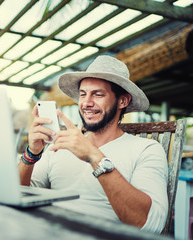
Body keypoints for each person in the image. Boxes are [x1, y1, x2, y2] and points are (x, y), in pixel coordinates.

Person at [18, 55, 168, 233]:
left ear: (123, 101)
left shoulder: (146, 150)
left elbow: (151, 224)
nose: (87, 103)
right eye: (83, 94)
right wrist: (32, 154)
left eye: (98, 94)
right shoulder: (59, 145)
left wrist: (94, 156)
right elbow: (18, 194)